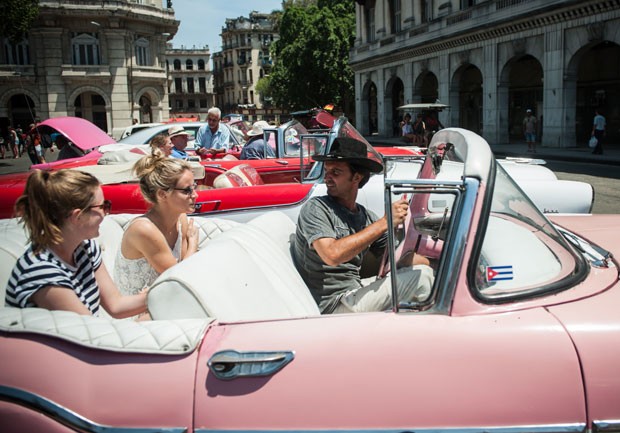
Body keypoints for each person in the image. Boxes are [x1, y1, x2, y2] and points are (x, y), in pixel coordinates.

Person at [293, 137, 434, 314]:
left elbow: (395, 257)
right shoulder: (316, 208)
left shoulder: (365, 216)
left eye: (335, 172)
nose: (327, 178)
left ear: (357, 177)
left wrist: (439, 265)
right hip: (333, 304)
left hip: (354, 291)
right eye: (327, 171)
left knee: (425, 273)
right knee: (422, 280)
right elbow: (332, 255)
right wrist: (385, 222)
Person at [5, 169, 148, 318]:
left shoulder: (86, 249)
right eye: (102, 206)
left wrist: (160, 293)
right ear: (77, 216)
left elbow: (116, 306)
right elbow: (89, 332)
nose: (106, 212)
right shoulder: (42, 272)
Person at [113, 151, 199, 295]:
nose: (195, 195)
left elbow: (184, 266)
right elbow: (180, 278)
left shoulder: (180, 218)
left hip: (167, 301)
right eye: (187, 190)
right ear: (162, 194)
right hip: (138, 312)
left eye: (194, 187)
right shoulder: (143, 229)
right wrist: (193, 245)